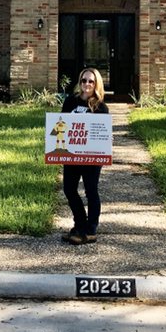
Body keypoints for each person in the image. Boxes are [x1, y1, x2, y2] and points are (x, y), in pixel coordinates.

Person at [60, 67, 109, 245]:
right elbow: (62, 125)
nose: (87, 84)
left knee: (91, 191)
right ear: (79, 82)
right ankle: (80, 223)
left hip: (91, 156)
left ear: (96, 84)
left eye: (91, 81)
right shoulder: (70, 102)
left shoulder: (101, 107)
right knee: (69, 189)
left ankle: (91, 229)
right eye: (84, 80)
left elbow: (102, 133)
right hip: (72, 154)